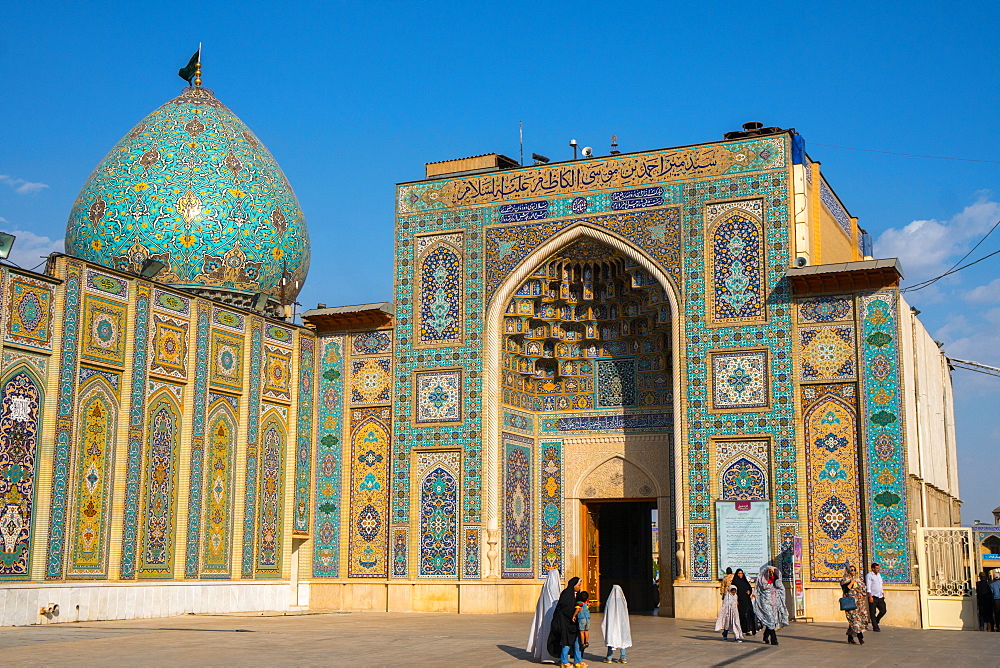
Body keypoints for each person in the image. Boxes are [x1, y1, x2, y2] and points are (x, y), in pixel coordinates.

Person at [548, 576, 584, 668]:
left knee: (577, 640)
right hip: (564, 621)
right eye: (578, 585)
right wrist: (574, 613)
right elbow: (565, 608)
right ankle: (563, 661)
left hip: (572, 622)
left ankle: (578, 660)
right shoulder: (566, 594)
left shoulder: (576, 595)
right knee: (566, 640)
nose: (579, 587)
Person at [528, 569, 562, 663]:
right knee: (552, 635)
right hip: (553, 616)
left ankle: (545, 656)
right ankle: (553, 657)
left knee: (546, 634)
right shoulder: (553, 586)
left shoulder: (545, 586)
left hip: (545, 617)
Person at [753, 565, 788, 645]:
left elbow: (781, 588)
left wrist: (776, 580)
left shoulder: (775, 580)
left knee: (772, 621)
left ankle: (766, 636)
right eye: (770, 572)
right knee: (770, 620)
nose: (771, 573)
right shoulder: (763, 581)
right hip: (765, 603)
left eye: (773, 572)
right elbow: (763, 588)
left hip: (774, 603)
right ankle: (774, 639)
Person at [601, 584, 632, 664]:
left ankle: (609, 657)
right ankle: (623, 658)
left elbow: (607, 613)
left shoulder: (610, 600)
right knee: (622, 639)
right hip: (621, 624)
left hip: (612, 624)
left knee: (611, 638)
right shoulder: (622, 601)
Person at [840, 565, 870, 644]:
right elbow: (845, 590)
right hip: (850, 603)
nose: (853, 572)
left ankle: (850, 637)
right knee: (855, 620)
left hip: (859, 603)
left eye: (854, 570)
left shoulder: (858, 579)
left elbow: (863, 588)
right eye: (851, 570)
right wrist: (852, 582)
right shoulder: (845, 579)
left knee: (856, 620)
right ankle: (860, 638)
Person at [732, 568, 757, 636]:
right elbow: (733, 592)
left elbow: (749, 588)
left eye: (741, 573)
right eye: (739, 573)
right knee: (742, 615)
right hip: (740, 601)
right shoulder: (735, 582)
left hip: (747, 600)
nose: (740, 575)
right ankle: (743, 629)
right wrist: (736, 600)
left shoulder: (745, 581)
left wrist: (749, 592)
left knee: (749, 614)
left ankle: (750, 629)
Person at [865, 562, 886, 631]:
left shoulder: (879, 575)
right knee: (873, 612)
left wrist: (882, 592)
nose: (878, 569)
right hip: (873, 596)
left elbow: (880, 585)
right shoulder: (869, 575)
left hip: (880, 596)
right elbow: (868, 586)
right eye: (877, 568)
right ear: (872, 569)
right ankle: (875, 627)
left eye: (878, 568)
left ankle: (876, 620)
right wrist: (870, 596)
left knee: (883, 610)